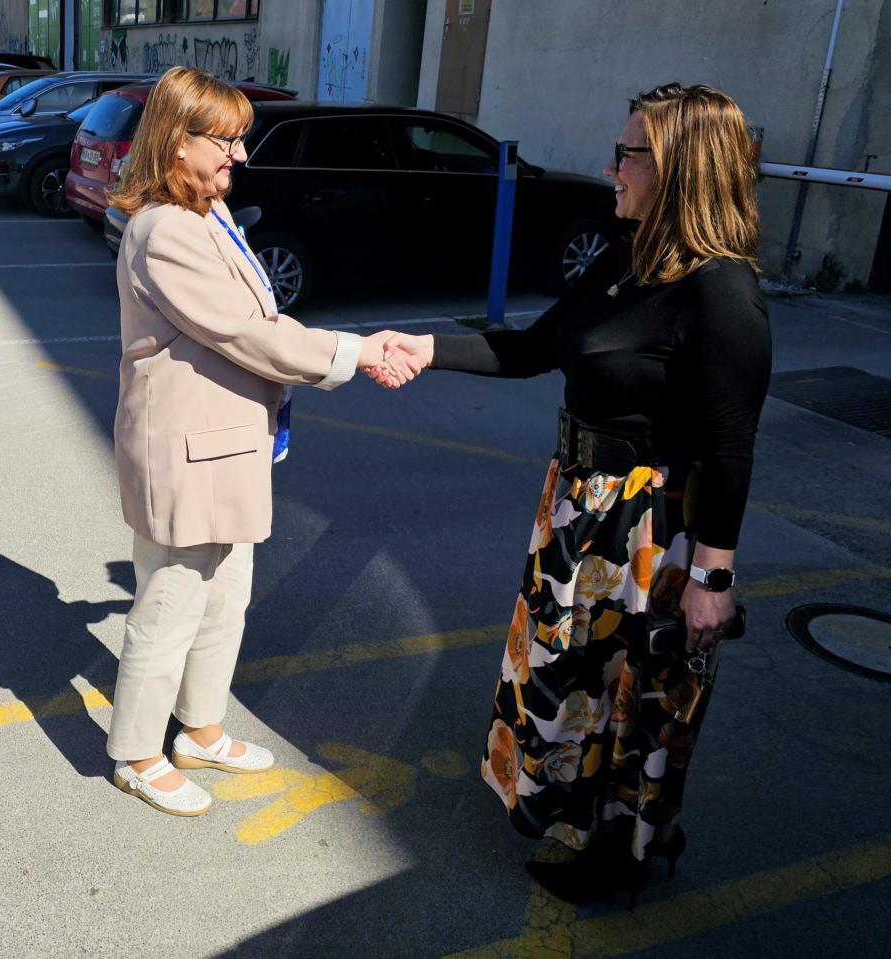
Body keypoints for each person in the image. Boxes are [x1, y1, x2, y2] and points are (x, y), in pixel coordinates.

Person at [378, 83, 771, 904]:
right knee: (573, 679)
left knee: (634, 698)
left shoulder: (721, 288)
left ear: (680, 167)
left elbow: (733, 445)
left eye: (627, 154)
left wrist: (713, 578)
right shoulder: (627, 256)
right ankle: (579, 819)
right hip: (578, 514)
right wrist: (425, 348)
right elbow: (533, 349)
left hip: (649, 533)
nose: (609, 168)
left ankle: (623, 854)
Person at [106, 66, 417, 816]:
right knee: (171, 602)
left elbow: (258, 319)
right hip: (186, 447)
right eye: (227, 141)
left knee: (225, 599)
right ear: (177, 142)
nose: (240, 156)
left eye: (242, 140)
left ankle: (201, 730)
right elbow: (248, 333)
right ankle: (138, 753)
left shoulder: (206, 211)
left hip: (223, 441)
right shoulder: (166, 230)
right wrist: (356, 352)